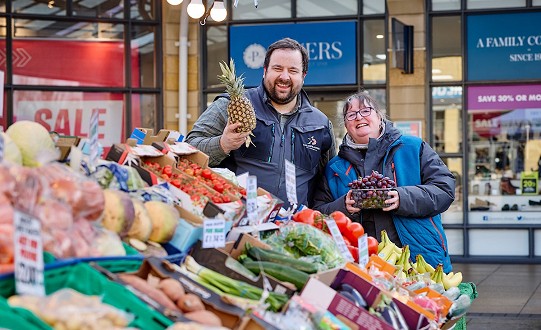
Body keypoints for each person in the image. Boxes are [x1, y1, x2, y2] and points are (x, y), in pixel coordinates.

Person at [312, 92, 455, 272]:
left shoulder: (413, 147)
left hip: (420, 258)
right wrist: (343, 206)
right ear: (346, 125)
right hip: (362, 263)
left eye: (365, 110)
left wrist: (401, 198)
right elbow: (317, 215)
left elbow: (445, 189)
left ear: (379, 116)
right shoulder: (334, 168)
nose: (359, 117)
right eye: (351, 114)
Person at [185, 38, 336, 208]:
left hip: (294, 227)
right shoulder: (232, 104)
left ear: (303, 75)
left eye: (293, 70)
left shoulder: (321, 124)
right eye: (277, 68)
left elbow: (326, 184)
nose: (284, 77)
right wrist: (222, 144)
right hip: (239, 220)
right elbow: (188, 150)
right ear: (265, 70)